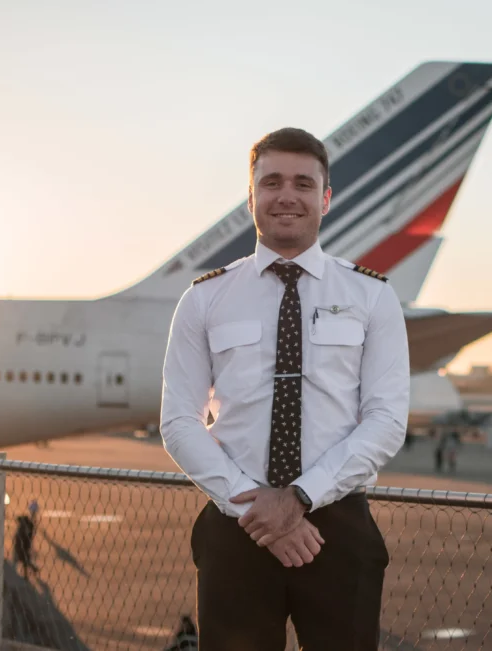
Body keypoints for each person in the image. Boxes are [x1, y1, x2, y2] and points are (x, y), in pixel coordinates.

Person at [161, 127, 410, 651]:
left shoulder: (372, 297)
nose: (286, 195)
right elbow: (179, 422)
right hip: (236, 529)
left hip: (336, 529)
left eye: (302, 182)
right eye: (270, 182)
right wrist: (259, 512)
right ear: (251, 197)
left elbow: (386, 421)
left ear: (325, 198)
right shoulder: (204, 300)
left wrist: (298, 497)